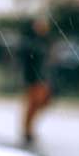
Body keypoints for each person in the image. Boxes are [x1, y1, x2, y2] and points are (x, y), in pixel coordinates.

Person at [19, 14, 55, 145]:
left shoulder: (46, 41)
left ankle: (28, 129)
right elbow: (28, 61)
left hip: (43, 78)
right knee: (33, 104)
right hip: (34, 78)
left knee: (41, 103)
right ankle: (27, 130)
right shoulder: (31, 42)